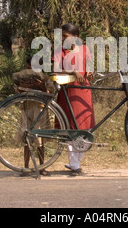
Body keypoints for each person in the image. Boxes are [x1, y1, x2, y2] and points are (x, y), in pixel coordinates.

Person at [53, 23, 95, 175]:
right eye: (62, 36)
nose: (63, 39)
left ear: (75, 37)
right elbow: (56, 68)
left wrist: (89, 70)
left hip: (83, 90)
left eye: (66, 36)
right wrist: (73, 70)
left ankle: (76, 161)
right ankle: (75, 165)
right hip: (67, 91)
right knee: (71, 129)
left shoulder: (85, 49)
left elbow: (89, 64)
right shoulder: (60, 51)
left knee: (86, 127)